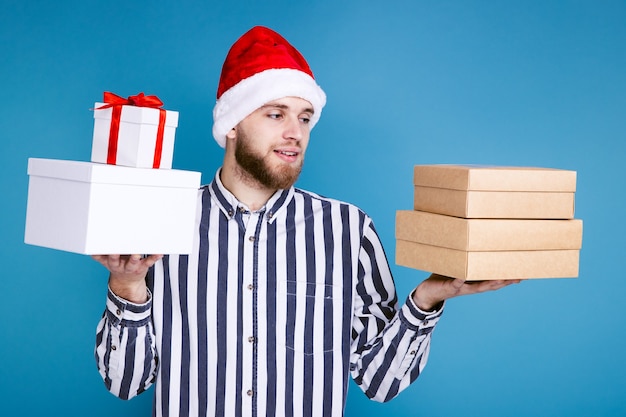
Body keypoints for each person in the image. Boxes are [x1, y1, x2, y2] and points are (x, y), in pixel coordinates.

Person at [93, 26, 518, 417]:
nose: (295, 131)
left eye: (305, 117)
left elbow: (379, 381)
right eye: (276, 114)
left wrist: (426, 298)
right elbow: (125, 383)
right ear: (233, 124)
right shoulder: (161, 219)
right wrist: (127, 286)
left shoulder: (349, 231)